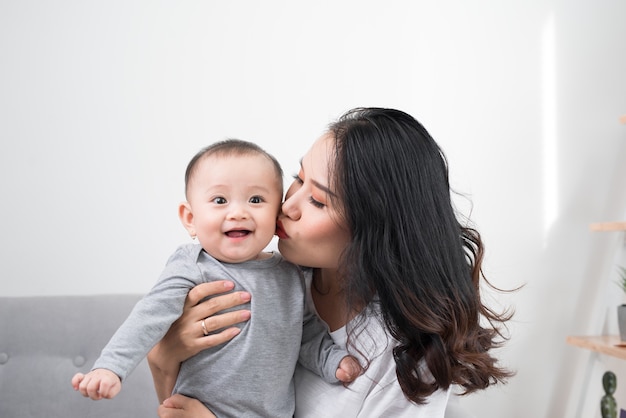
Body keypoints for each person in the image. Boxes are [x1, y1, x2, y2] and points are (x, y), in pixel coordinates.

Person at [148, 108, 514, 418]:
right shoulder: (261, 283)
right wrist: (163, 357)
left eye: (319, 202)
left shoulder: (408, 358)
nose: (287, 206)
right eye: (298, 179)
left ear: (373, 228)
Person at [71, 139, 360, 417]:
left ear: (276, 215)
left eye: (256, 199)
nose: (238, 212)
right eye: (220, 200)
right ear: (190, 218)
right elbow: (147, 319)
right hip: (199, 410)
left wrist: (332, 361)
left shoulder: (289, 273)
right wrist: (110, 367)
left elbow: (305, 332)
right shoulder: (192, 265)